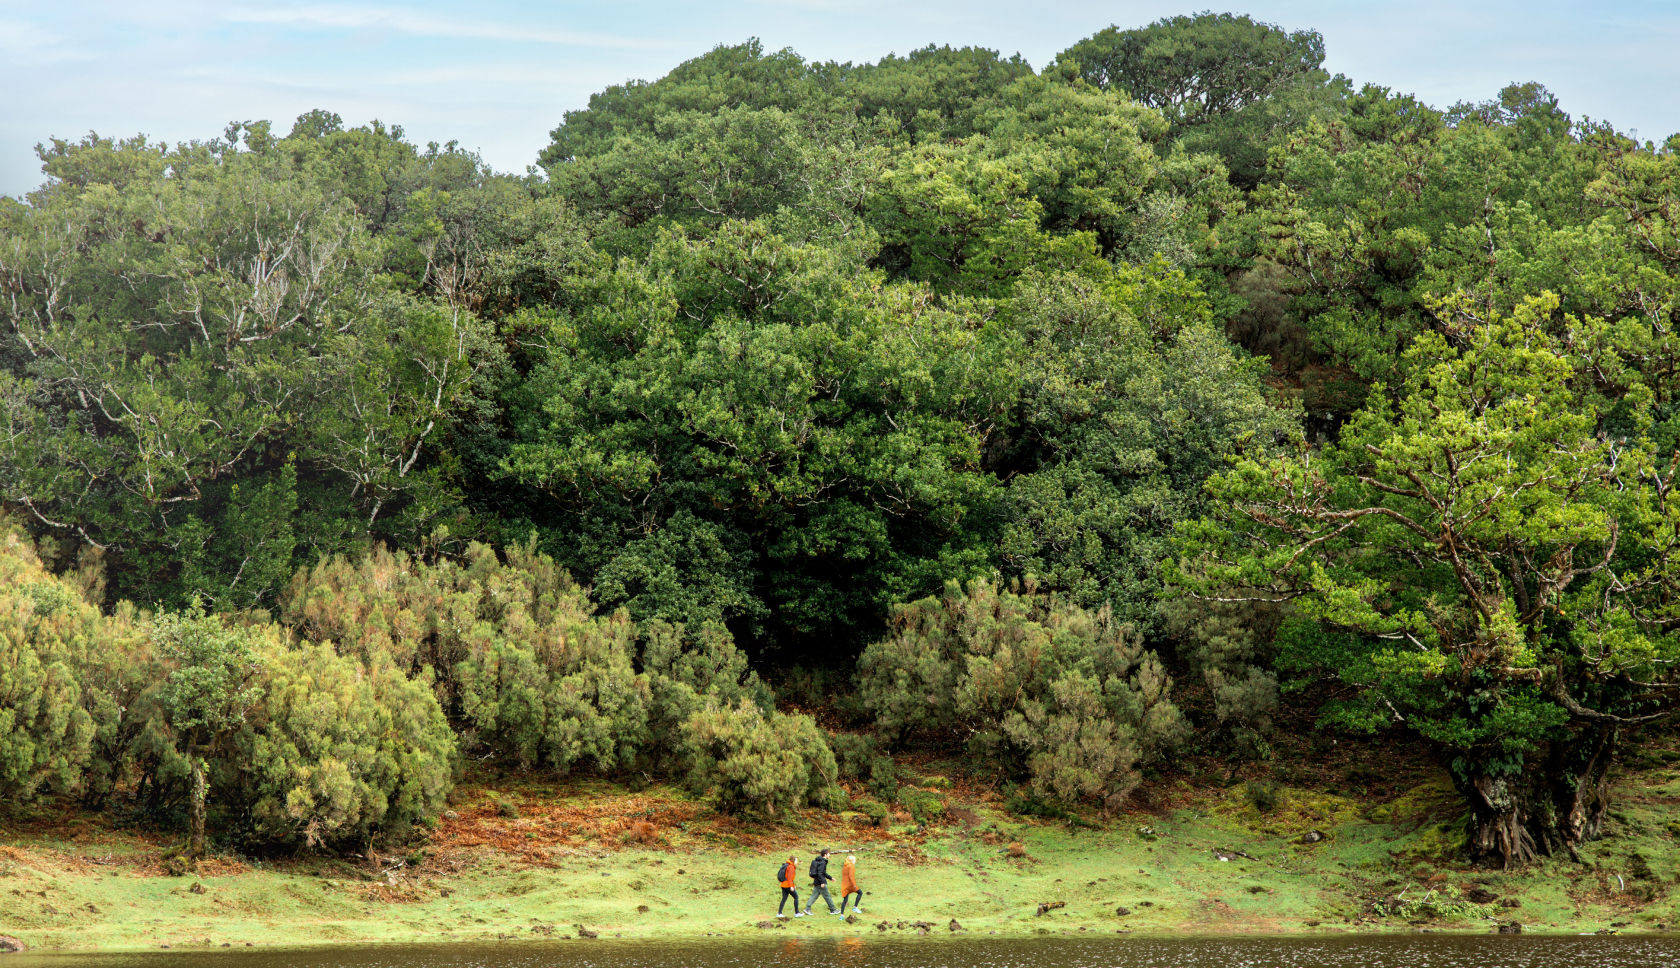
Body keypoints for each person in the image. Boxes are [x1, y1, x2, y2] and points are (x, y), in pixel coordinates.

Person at [803, 848, 838, 915]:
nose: (829, 855)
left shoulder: (820, 861)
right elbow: (820, 873)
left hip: (817, 881)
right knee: (827, 896)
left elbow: (823, 873)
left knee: (814, 896)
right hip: (820, 882)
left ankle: (807, 909)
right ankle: (832, 910)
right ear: (825, 854)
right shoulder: (823, 862)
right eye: (828, 854)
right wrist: (822, 882)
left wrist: (830, 878)